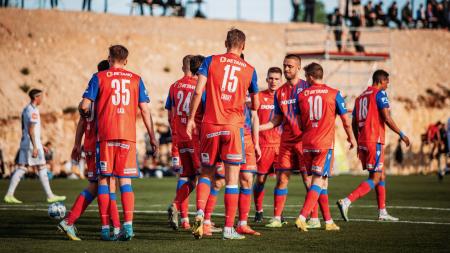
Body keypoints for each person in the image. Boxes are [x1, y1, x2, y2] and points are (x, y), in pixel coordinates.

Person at [79, 45, 158, 241]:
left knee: (104, 181)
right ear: (126, 60)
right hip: (128, 136)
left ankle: (106, 229)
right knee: (125, 181)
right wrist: (153, 136)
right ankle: (128, 226)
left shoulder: (99, 77)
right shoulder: (136, 79)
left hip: (105, 135)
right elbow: (146, 111)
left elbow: (84, 106)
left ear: (109, 58)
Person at [186, 28, 259, 240]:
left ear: (226, 42)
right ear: (243, 46)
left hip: (210, 125)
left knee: (207, 173)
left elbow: (198, 91)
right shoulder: (250, 69)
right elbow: (255, 103)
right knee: (232, 180)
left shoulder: (210, 61)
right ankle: (229, 229)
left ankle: (200, 214)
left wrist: (191, 119)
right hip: (234, 127)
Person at [58, 60, 122, 241]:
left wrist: (77, 144)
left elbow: (81, 120)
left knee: (95, 186)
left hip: (90, 144)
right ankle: (112, 227)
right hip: (101, 144)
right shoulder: (104, 95)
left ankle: (70, 221)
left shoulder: (90, 95)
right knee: (108, 184)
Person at [337, 69, 410, 222]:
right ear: (380, 81)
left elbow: (354, 122)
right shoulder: (379, 94)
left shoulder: (360, 98)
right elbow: (387, 117)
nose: (387, 85)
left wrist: (358, 142)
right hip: (374, 140)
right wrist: (401, 134)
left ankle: (382, 212)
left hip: (364, 140)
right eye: (386, 82)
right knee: (375, 177)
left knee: (380, 174)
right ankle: (347, 201)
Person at [294, 63, 354, 232]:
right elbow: (345, 120)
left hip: (307, 144)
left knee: (323, 182)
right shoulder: (334, 93)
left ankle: (328, 221)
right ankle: (302, 217)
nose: (306, 80)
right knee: (318, 181)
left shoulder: (301, 95)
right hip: (324, 144)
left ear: (311, 77)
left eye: (306, 77)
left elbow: (299, 123)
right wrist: (351, 138)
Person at [259, 54, 311, 228]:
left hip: (305, 141)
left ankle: (313, 217)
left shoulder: (307, 87)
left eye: (290, 66)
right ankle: (276, 218)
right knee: (282, 178)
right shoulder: (280, 92)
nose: (287, 69)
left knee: (308, 180)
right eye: (285, 66)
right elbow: (278, 119)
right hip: (286, 142)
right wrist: (260, 127)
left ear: (298, 68)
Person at [4, 89, 66, 204]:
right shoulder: (33, 111)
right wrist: (36, 146)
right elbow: (31, 130)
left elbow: (30, 131)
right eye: (41, 97)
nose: (42, 99)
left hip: (27, 142)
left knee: (22, 168)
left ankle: (9, 194)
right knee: (41, 167)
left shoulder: (27, 109)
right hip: (31, 144)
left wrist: (40, 145)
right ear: (36, 97)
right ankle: (50, 195)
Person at [165, 55, 204, 230]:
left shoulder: (174, 86)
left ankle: (180, 211)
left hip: (180, 138)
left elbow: (170, 117)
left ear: (183, 67)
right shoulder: (200, 86)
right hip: (195, 137)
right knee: (207, 176)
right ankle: (203, 220)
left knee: (187, 176)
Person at [253, 67, 282, 223]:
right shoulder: (259, 96)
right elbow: (252, 118)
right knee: (261, 180)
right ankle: (259, 210)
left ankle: (279, 213)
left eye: (277, 78)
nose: (273, 81)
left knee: (281, 179)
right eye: (271, 78)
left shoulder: (284, 97)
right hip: (263, 145)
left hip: (281, 145)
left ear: (281, 80)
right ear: (266, 80)